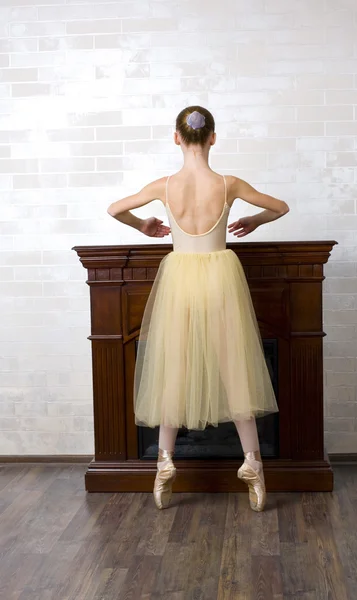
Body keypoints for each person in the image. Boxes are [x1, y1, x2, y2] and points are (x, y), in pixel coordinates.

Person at [107, 106, 289, 512]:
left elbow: (115, 209)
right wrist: (256, 221)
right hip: (220, 278)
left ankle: (164, 463)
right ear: (213, 138)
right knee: (234, 367)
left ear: (176, 138)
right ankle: (253, 467)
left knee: (176, 367)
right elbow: (281, 207)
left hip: (180, 281)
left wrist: (143, 226)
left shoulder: (164, 185)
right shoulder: (228, 184)